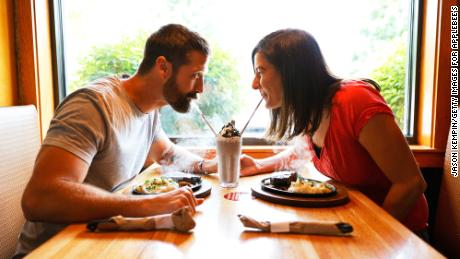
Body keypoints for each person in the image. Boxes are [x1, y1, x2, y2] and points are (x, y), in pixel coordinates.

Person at [14, 24, 217, 257]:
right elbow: (40, 198)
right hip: (57, 250)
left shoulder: (149, 108)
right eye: (195, 75)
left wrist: (209, 165)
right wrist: (147, 206)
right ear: (163, 67)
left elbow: (167, 153)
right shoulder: (92, 106)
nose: (200, 88)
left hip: (103, 240)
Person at [240, 29, 429, 237]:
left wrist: (371, 236)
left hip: (399, 236)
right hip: (354, 223)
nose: (254, 84)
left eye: (260, 71)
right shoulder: (310, 112)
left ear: (290, 72)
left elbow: (411, 183)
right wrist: (258, 165)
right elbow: (301, 152)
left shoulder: (355, 101)